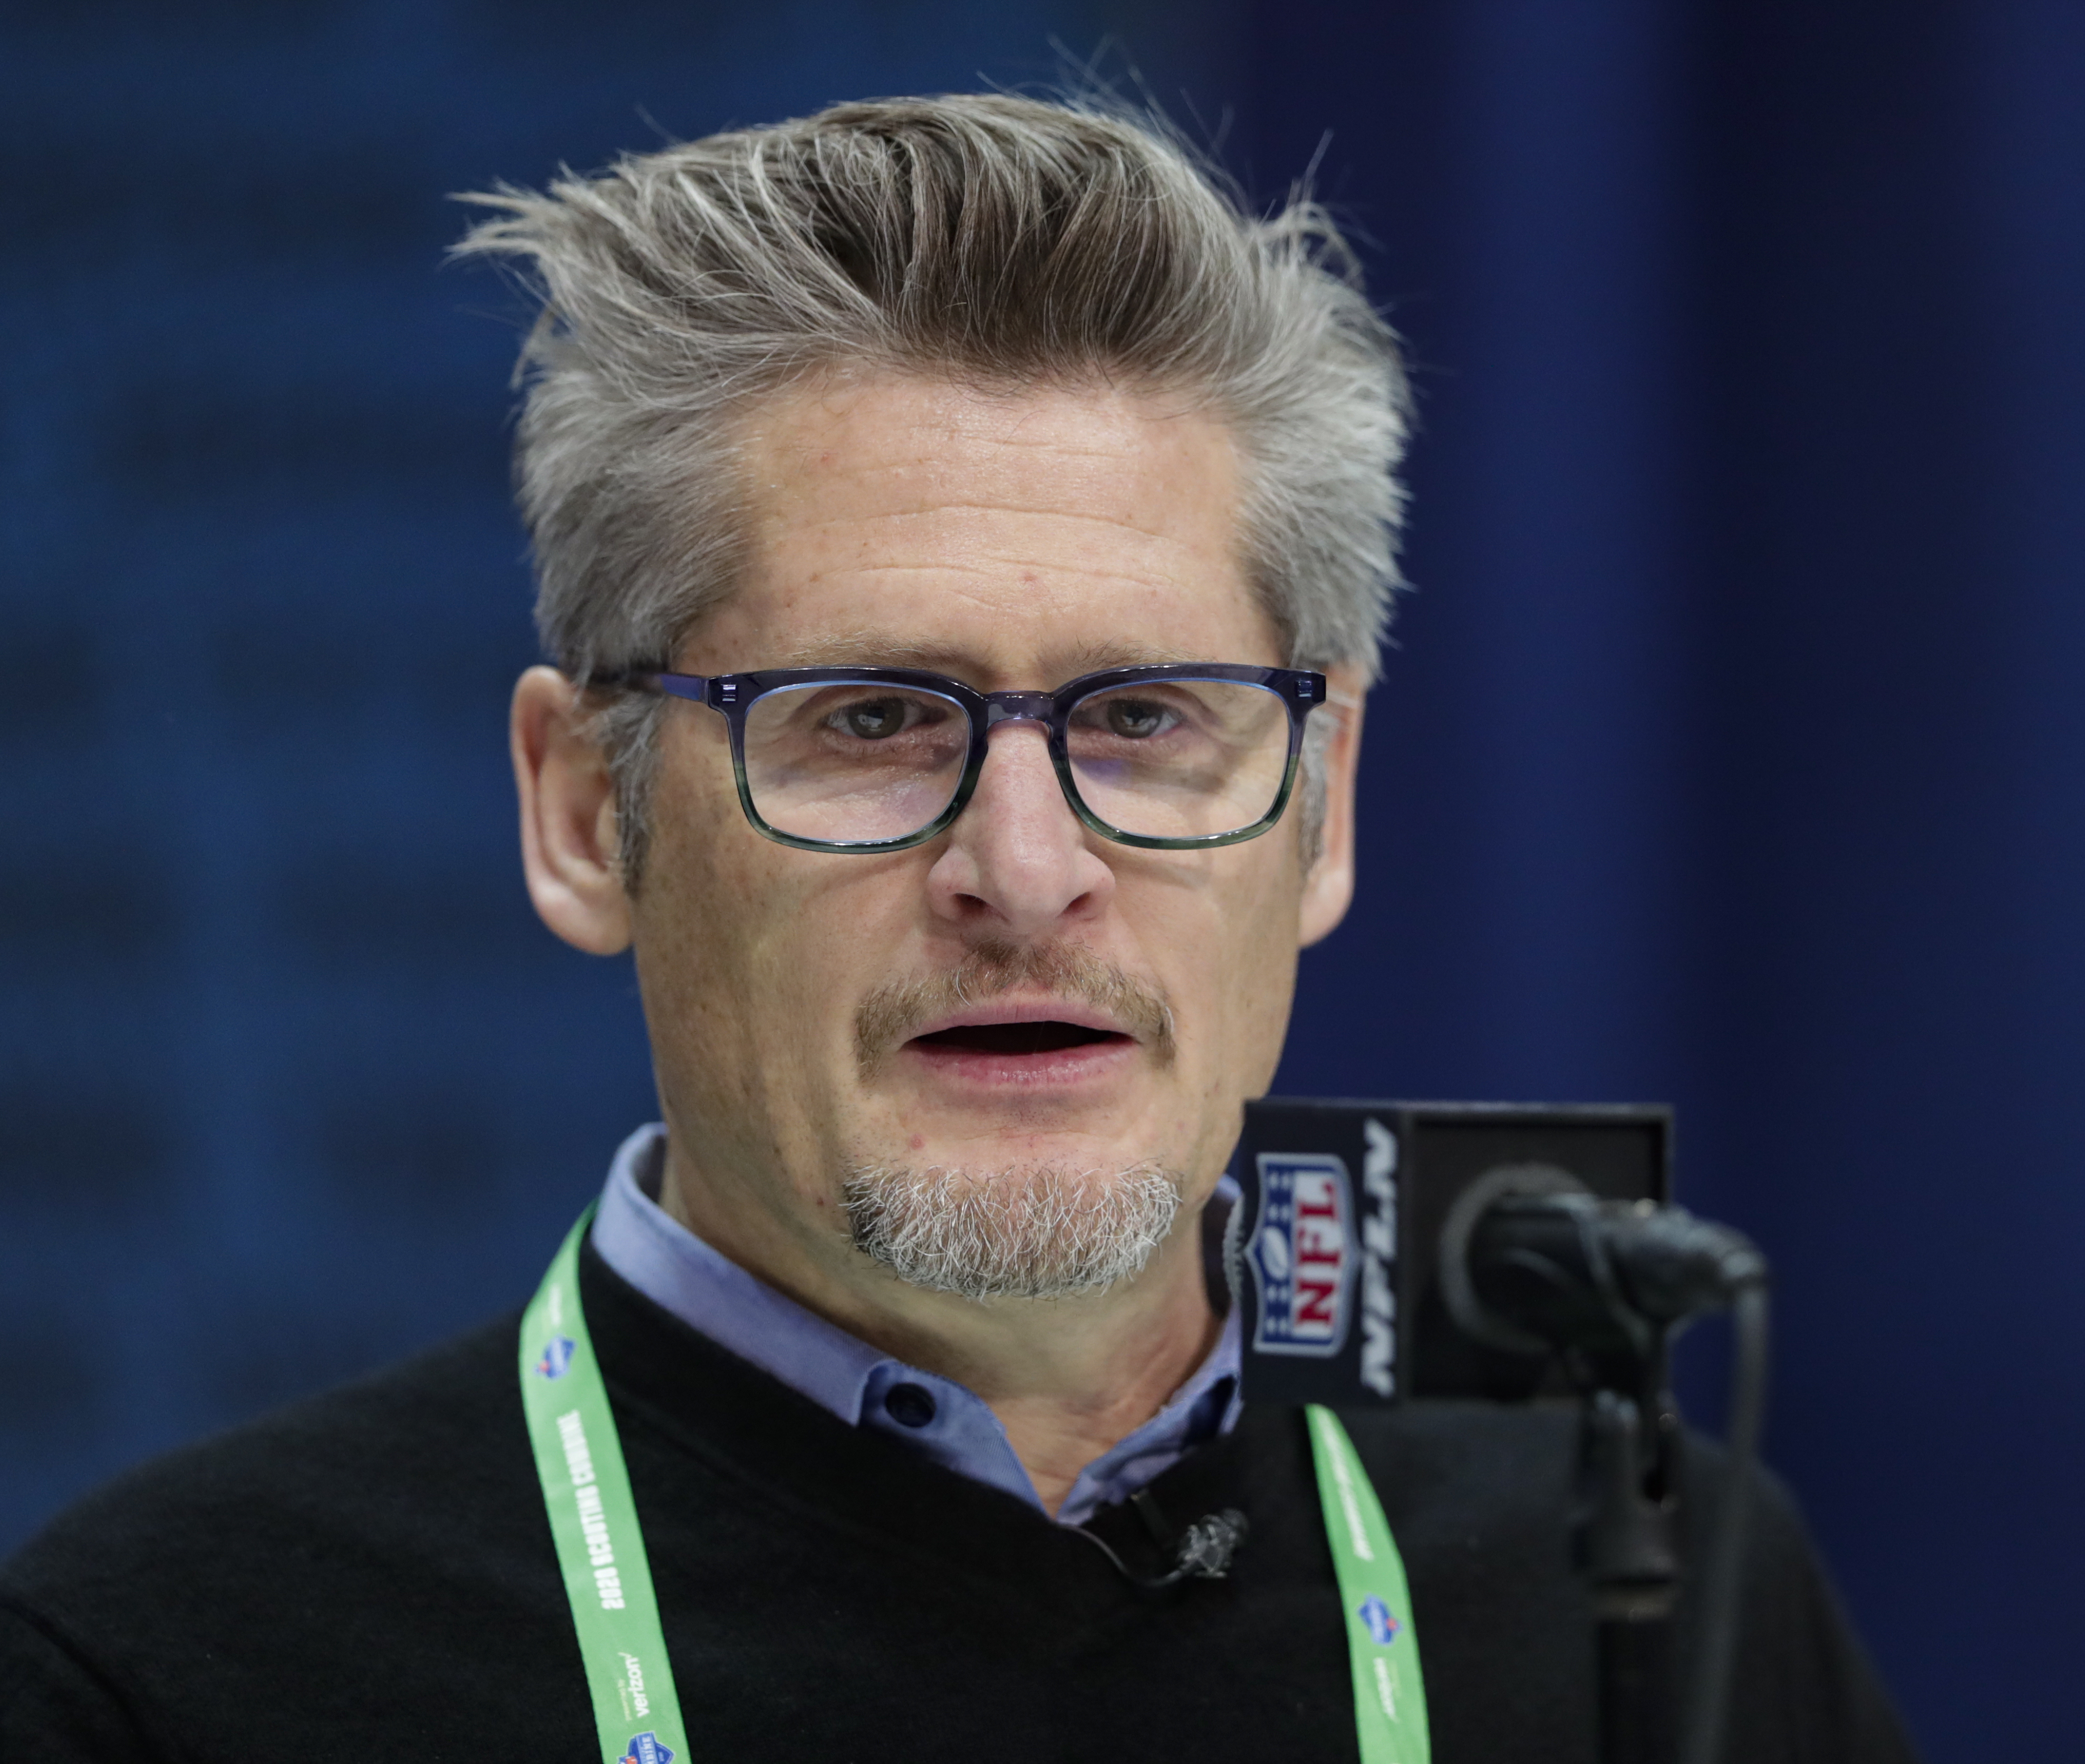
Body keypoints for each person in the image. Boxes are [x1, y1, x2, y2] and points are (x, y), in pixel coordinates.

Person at [0, 94, 1916, 1762]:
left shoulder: (1645, 1605)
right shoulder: (163, 1673)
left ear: (1321, 808)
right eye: (867, 717)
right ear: (588, 815)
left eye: (1145, 718)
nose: (1024, 865)